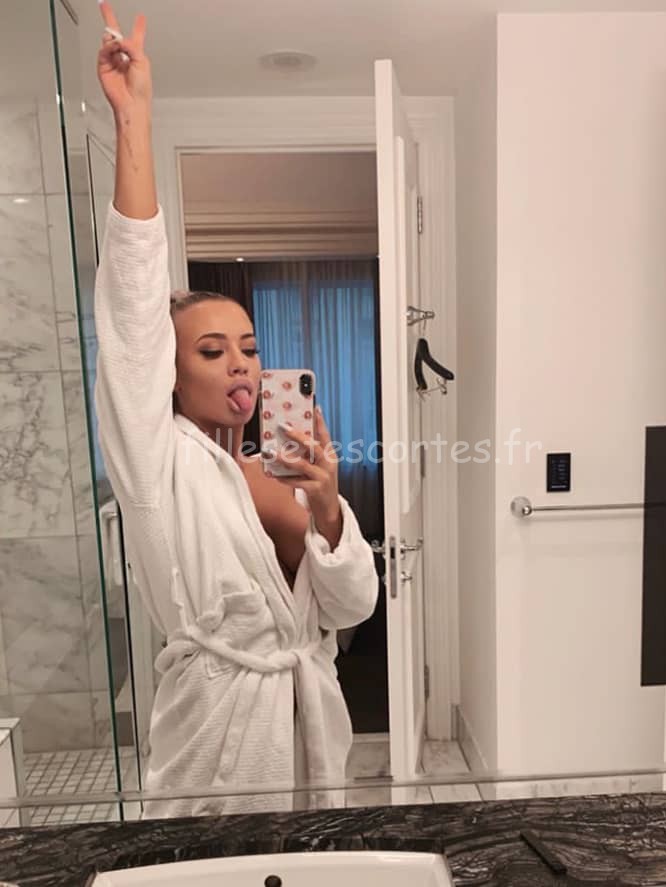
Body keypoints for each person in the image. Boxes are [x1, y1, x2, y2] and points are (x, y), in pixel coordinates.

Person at [94, 3, 378, 818]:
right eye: (212, 351)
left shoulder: (278, 469)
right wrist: (135, 122)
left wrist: (330, 508)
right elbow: (132, 311)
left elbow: (353, 608)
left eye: (249, 347)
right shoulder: (161, 468)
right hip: (216, 743)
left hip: (310, 730)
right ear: (168, 375)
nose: (242, 365)